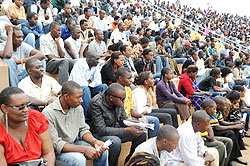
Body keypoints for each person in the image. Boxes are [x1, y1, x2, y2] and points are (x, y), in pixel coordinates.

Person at [43, 81, 109, 166]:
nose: (81, 100)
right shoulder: (48, 113)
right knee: (78, 159)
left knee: (102, 150)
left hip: (75, 143)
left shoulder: (78, 108)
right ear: (66, 97)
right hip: (58, 151)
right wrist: (84, 149)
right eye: (78, 97)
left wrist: (95, 141)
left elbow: (83, 130)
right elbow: (56, 144)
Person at [86, 83, 147, 166]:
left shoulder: (118, 101)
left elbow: (123, 121)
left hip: (113, 128)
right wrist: (126, 130)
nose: (124, 101)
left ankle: (130, 162)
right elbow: (101, 130)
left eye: (124, 98)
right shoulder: (96, 103)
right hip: (97, 134)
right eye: (122, 99)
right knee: (115, 142)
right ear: (111, 98)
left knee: (141, 134)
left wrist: (136, 123)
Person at [0, 87, 55, 165]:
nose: (26, 109)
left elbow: (48, 152)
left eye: (28, 105)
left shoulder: (36, 118)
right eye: (20, 107)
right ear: (4, 108)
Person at [116, 67, 160, 138]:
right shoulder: (115, 91)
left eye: (131, 78)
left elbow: (131, 110)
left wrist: (141, 116)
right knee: (151, 123)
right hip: (123, 120)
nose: (131, 81)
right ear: (120, 78)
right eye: (128, 78)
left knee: (151, 121)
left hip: (130, 117)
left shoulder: (128, 89)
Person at [69, 51, 107, 116]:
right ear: (88, 58)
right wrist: (89, 83)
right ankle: (87, 116)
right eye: (96, 59)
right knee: (85, 89)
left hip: (88, 87)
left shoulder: (95, 65)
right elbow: (79, 83)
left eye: (98, 59)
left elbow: (98, 81)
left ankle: (104, 112)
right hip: (75, 89)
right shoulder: (80, 64)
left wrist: (89, 84)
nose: (98, 61)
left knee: (103, 87)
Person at [213, 96, 247, 165]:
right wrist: (235, 126)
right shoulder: (212, 112)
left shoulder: (219, 111)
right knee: (230, 133)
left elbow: (222, 122)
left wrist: (237, 123)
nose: (225, 107)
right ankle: (230, 159)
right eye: (223, 105)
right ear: (217, 105)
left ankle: (235, 156)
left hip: (217, 128)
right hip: (212, 131)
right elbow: (217, 127)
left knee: (236, 130)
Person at [201, 99, 234, 166]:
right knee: (220, 145)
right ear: (208, 108)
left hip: (207, 138)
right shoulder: (201, 117)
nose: (215, 111)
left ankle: (225, 163)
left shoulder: (207, 116)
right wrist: (211, 137)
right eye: (214, 109)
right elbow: (211, 138)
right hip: (201, 141)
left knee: (228, 141)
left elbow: (211, 136)